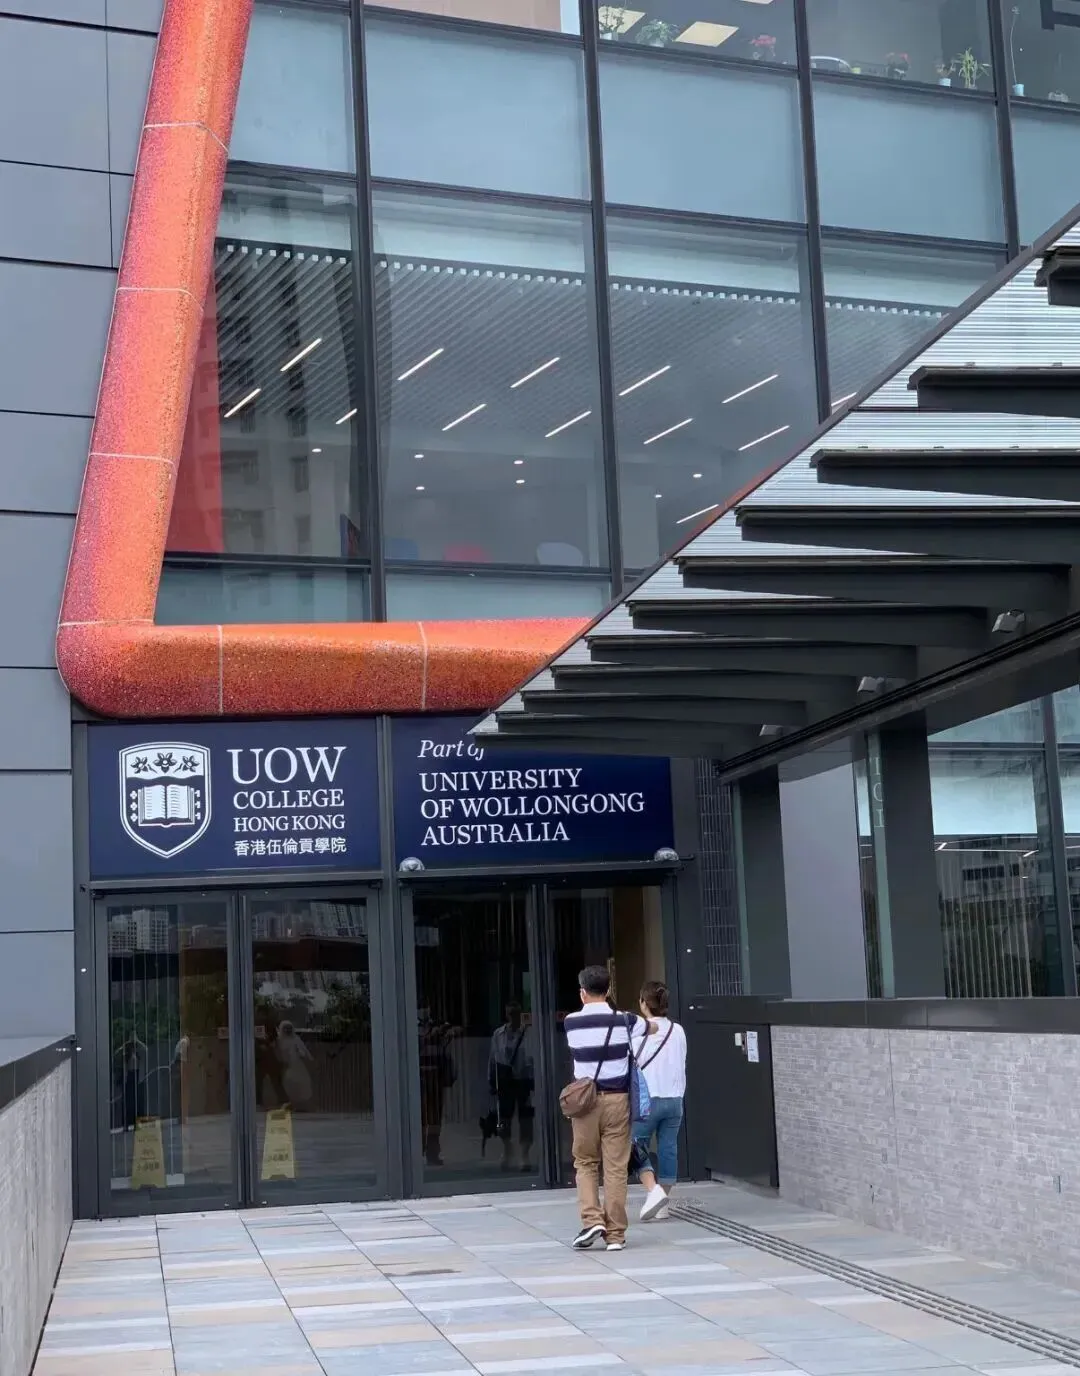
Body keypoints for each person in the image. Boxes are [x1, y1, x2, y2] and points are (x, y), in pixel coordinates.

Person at [563, 964, 657, 1252]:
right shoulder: (626, 1021)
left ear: (582, 993)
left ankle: (592, 1220)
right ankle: (615, 1235)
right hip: (618, 1101)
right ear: (609, 990)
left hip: (585, 1103)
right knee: (616, 1167)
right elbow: (651, 1027)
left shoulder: (571, 1022)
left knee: (585, 1162)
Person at [631, 980, 687, 1222]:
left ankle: (653, 1192)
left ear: (644, 1003)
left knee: (635, 1146)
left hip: (648, 1100)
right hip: (674, 1098)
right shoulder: (678, 1030)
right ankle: (663, 1202)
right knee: (668, 1148)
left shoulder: (639, 1032)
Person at [487, 1002, 535, 1172]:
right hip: (505, 1081)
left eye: (515, 1014)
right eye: (509, 1014)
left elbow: (533, 1057)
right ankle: (507, 1149)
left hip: (523, 1080)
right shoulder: (498, 1034)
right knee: (504, 1118)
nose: (512, 1017)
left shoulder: (528, 1033)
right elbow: (493, 1058)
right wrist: (491, 1080)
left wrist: (534, 1080)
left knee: (525, 1119)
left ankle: (524, 1154)